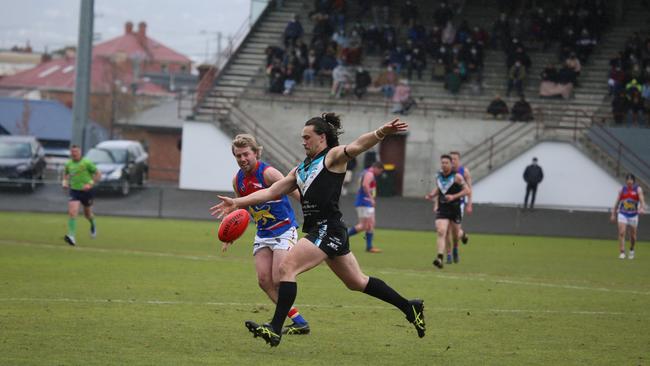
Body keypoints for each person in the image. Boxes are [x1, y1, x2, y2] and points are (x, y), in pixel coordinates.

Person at [210, 114, 425, 347]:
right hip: (325, 230)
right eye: (302, 137)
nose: (303, 141)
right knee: (356, 282)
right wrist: (237, 203)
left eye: (307, 137)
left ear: (321, 137)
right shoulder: (301, 168)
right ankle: (409, 306)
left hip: (327, 228)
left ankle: (275, 328)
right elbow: (272, 192)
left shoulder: (331, 157)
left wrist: (381, 132)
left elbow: (357, 145)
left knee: (286, 268)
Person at [227, 134, 310, 335]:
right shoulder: (237, 181)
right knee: (264, 281)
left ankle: (279, 323)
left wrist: (312, 212)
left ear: (256, 153)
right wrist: (230, 233)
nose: (242, 159)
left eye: (246, 154)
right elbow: (242, 209)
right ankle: (298, 321)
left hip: (284, 230)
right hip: (263, 233)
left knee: (277, 276)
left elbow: (294, 190)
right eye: (238, 156)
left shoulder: (269, 173)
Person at [425, 154, 470, 269]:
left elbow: (467, 190)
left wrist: (454, 196)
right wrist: (432, 194)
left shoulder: (457, 177)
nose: (444, 165)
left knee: (455, 235)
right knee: (441, 231)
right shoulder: (438, 176)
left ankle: (460, 239)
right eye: (442, 163)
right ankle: (439, 258)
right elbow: (439, 188)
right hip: (443, 208)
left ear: (451, 164)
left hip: (455, 208)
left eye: (446, 163)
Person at [62, 145, 101, 246]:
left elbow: (98, 174)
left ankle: (93, 224)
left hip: (87, 192)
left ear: (80, 153)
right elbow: (66, 174)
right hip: (74, 191)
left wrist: (90, 184)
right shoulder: (68, 164)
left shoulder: (86, 162)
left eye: (76, 152)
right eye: (72, 152)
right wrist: (65, 182)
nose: (74, 154)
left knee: (87, 214)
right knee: (72, 212)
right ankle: (72, 237)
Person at [348, 161, 385, 253]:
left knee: (369, 224)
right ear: (377, 168)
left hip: (365, 201)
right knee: (364, 225)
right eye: (380, 171)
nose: (379, 174)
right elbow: (365, 185)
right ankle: (340, 236)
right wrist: (371, 198)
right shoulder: (369, 174)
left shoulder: (366, 172)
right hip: (365, 201)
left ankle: (369, 247)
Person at [610, 174, 646, 259]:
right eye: (628, 180)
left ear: (633, 181)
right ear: (626, 181)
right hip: (623, 213)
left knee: (633, 235)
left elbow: (642, 200)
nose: (629, 181)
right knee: (622, 232)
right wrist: (613, 214)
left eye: (631, 180)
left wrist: (641, 208)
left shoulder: (638, 189)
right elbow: (617, 202)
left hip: (633, 214)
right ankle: (622, 252)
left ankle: (631, 250)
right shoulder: (622, 189)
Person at [446, 151, 472, 264]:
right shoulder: (445, 172)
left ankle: (457, 247)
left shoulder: (464, 172)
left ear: (459, 160)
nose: (453, 161)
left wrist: (469, 204)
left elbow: (469, 189)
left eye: (455, 159)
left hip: (459, 204)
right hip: (446, 205)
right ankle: (449, 255)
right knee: (446, 230)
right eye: (451, 159)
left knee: (455, 231)